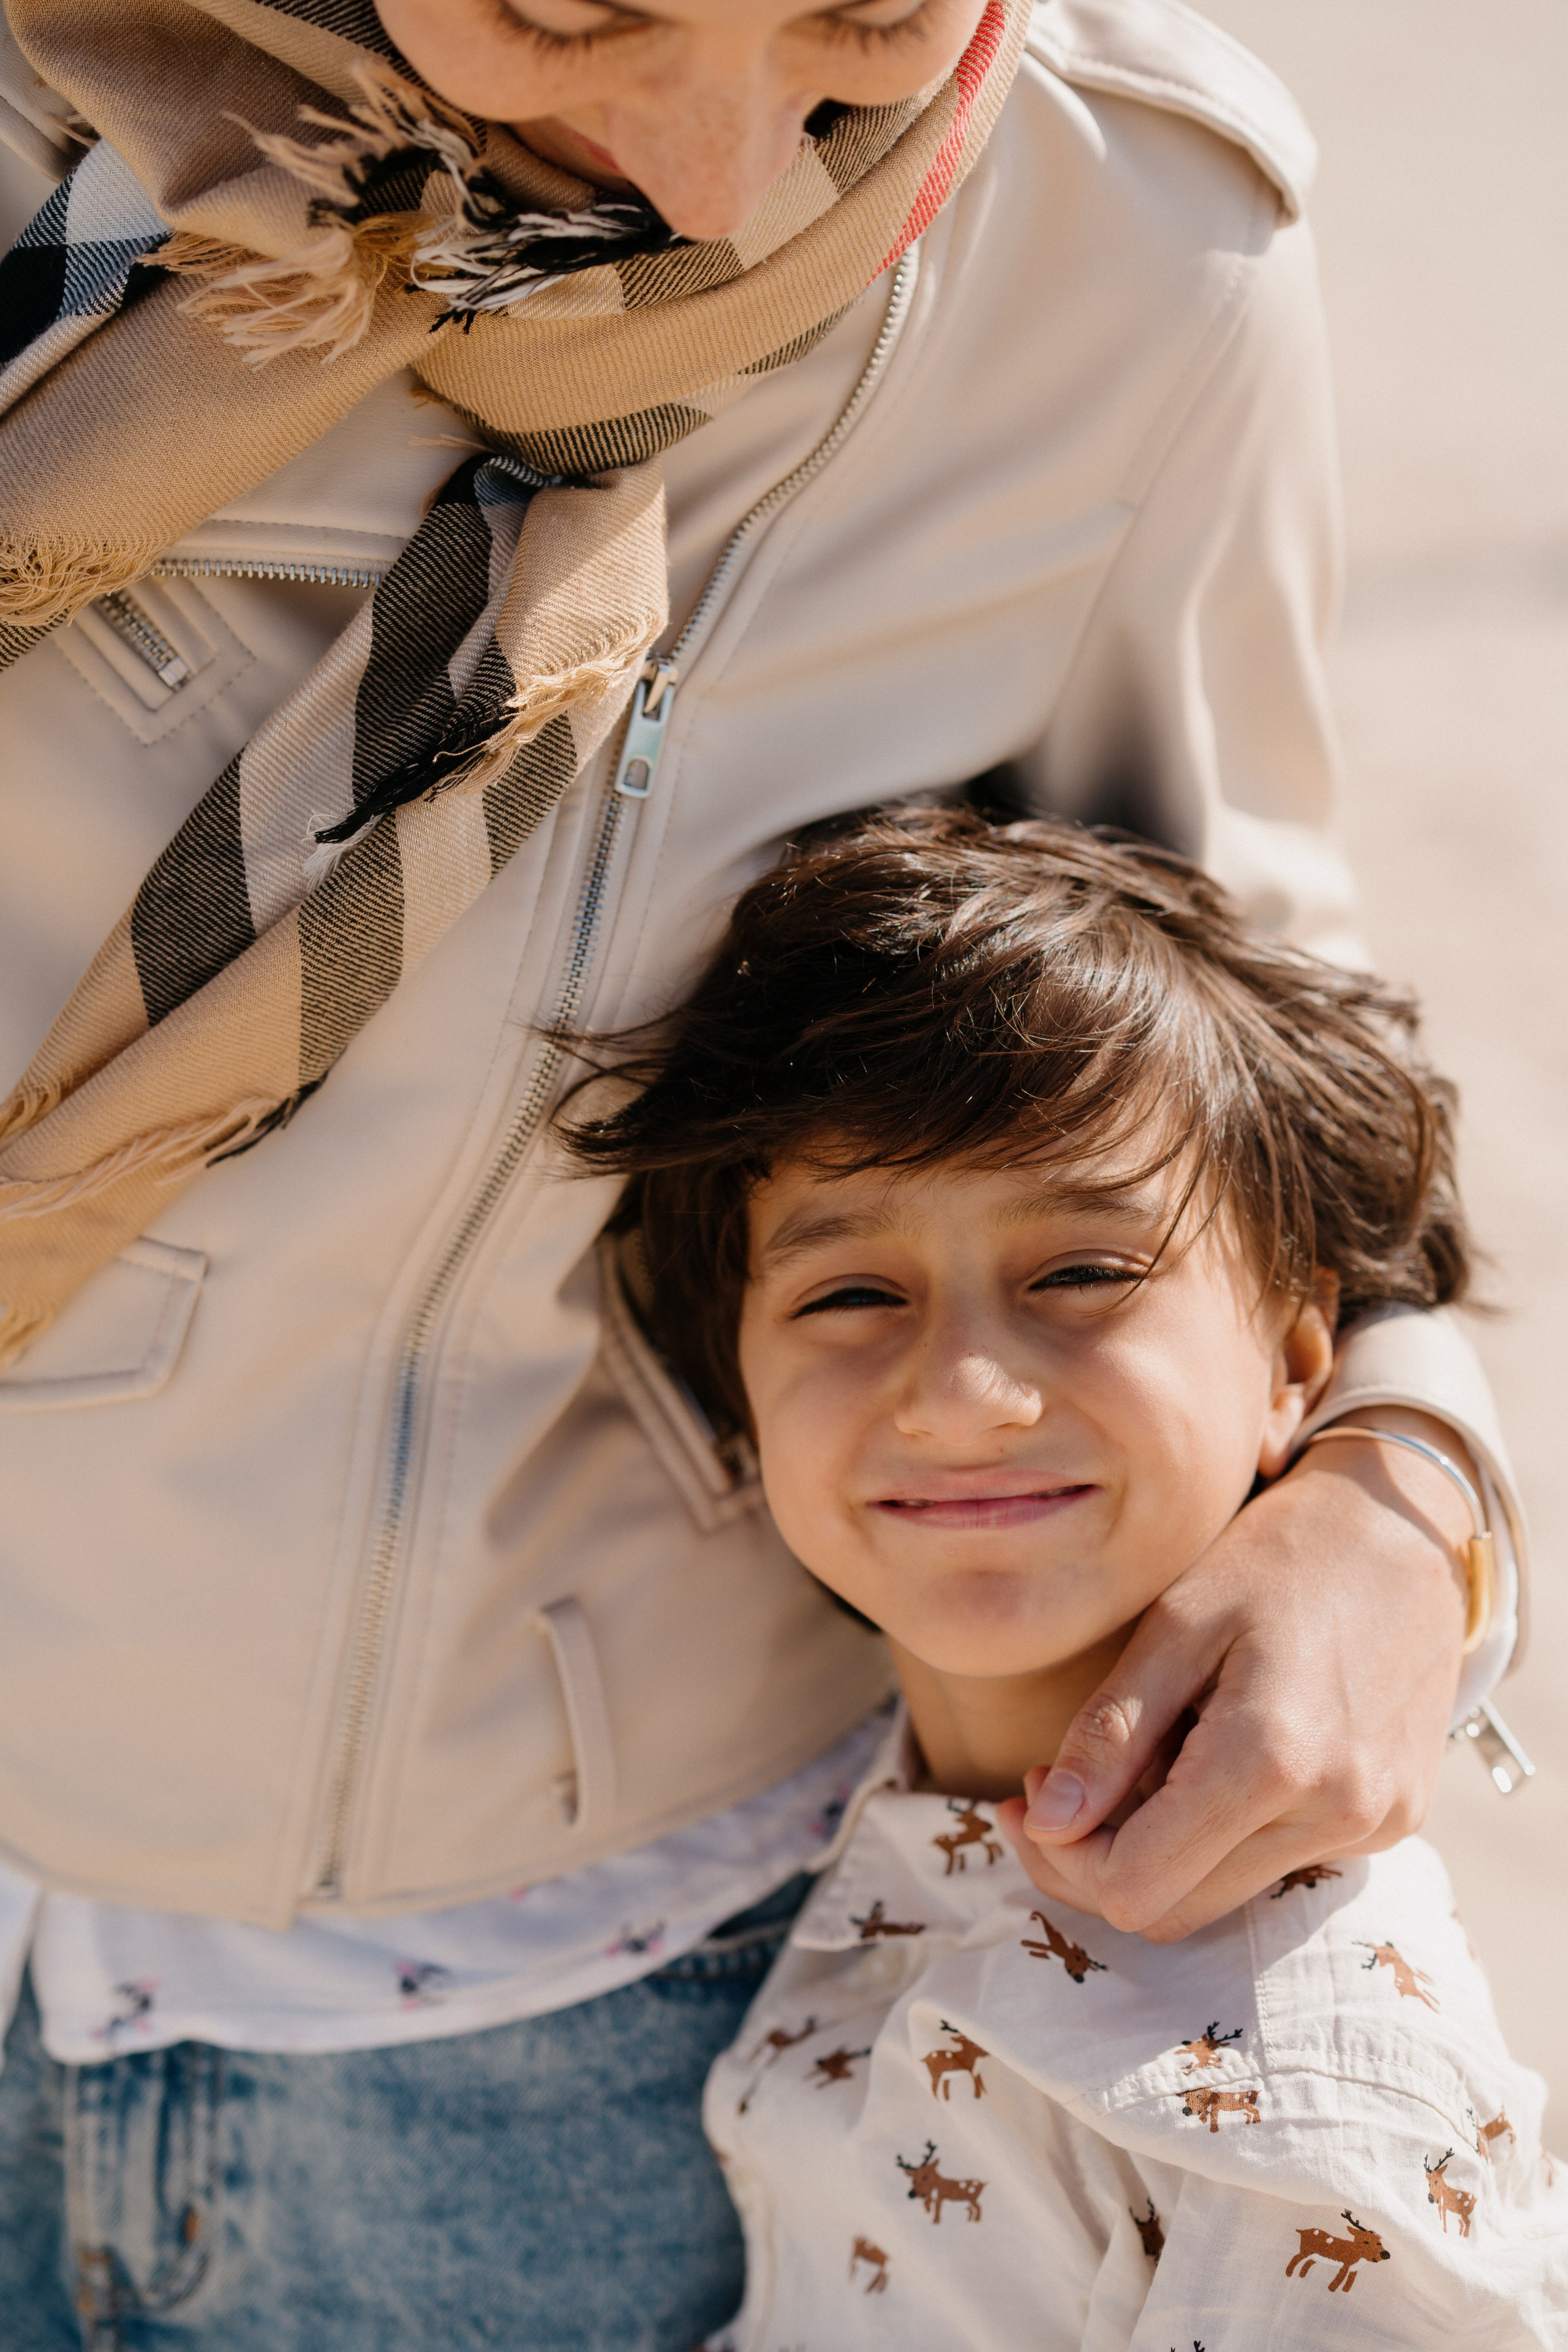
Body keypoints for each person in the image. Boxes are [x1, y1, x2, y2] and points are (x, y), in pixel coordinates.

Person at [0, 1, 1530, 2343]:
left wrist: (1405, 1485)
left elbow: (1233, 993)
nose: (726, 182)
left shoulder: (1134, 246)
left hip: (589, 2012)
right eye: (577, 10)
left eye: (868, 16)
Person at [559, 804, 1565, 2350]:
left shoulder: (1294, 2076)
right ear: (733, 1392)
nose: (961, 1395)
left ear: (1301, 1358)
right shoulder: (874, 1834)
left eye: (1083, 1273)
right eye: (848, 1292)